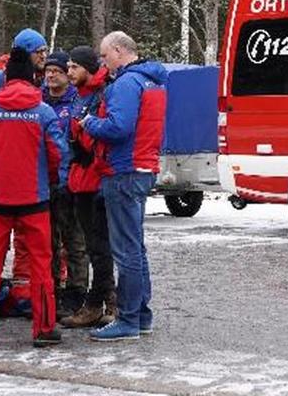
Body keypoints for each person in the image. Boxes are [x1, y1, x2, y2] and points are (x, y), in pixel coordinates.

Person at [0, 47, 66, 349]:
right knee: (41, 265)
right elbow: (58, 154)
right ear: (32, 78)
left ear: (6, 79)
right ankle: (44, 329)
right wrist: (51, 182)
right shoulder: (44, 111)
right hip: (35, 200)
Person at [81, 32, 166, 342]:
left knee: (126, 250)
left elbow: (118, 127)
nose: (103, 63)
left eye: (105, 56)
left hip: (123, 171)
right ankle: (141, 315)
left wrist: (89, 122)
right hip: (143, 168)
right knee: (136, 248)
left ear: (118, 51)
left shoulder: (127, 84)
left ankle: (129, 319)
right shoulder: (153, 82)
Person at [60, 45, 116, 329]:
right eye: (68, 67)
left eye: (74, 67)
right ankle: (109, 302)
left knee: (99, 247)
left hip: (95, 180)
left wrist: (84, 149)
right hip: (80, 179)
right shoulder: (81, 95)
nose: (69, 73)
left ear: (88, 68)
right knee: (96, 246)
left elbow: (102, 135)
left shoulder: (101, 94)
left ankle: (100, 304)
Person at [43, 50, 87, 316]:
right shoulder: (39, 102)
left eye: (56, 71)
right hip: (45, 182)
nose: (50, 75)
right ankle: (49, 291)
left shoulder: (77, 102)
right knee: (47, 241)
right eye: (47, 71)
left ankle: (77, 291)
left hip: (71, 181)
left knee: (75, 241)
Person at [0, 28, 48, 95]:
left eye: (45, 50)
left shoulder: (49, 76)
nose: (44, 56)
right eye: (39, 52)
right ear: (24, 54)